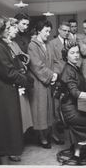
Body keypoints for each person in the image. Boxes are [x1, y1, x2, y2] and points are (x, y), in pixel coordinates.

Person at [0, 15, 33, 164]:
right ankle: (3, 163)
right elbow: (8, 72)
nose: (9, 30)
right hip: (1, 96)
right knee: (4, 131)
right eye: (6, 28)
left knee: (2, 132)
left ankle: (2, 162)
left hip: (1, 94)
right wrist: (27, 81)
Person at [28, 20, 58, 149]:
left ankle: (49, 134)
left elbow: (56, 60)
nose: (48, 33)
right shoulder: (32, 45)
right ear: (39, 30)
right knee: (40, 110)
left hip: (48, 81)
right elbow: (36, 65)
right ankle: (42, 137)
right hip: (38, 82)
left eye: (49, 31)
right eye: (46, 31)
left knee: (48, 110)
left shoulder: (49, 44)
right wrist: (51, 75)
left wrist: (55, 74)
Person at [8, 17, 34, 136]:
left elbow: (24, 56)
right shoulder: (3, 45)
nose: (15, 30)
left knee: (23, 111)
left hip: (22, 76)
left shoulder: (14, 43)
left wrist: (23, 61)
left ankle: (22, 135)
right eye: (12, 27)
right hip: (14, 80)